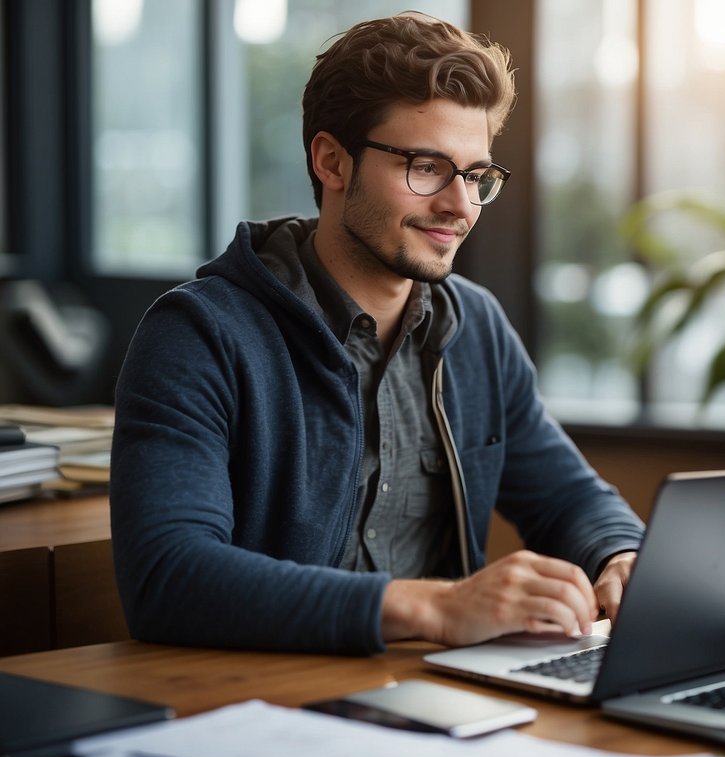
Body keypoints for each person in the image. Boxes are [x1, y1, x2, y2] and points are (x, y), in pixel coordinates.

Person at [110, 11, 644, 656]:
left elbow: (567, 497)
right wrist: (439, 607)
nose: (460, 205)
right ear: (332, 161)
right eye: (427, 167)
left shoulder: (475, 328)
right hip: (269, 703)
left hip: (443, 699)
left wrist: (622, 555)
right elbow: (169, 579)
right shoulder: (198, 334)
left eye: (477, 175)